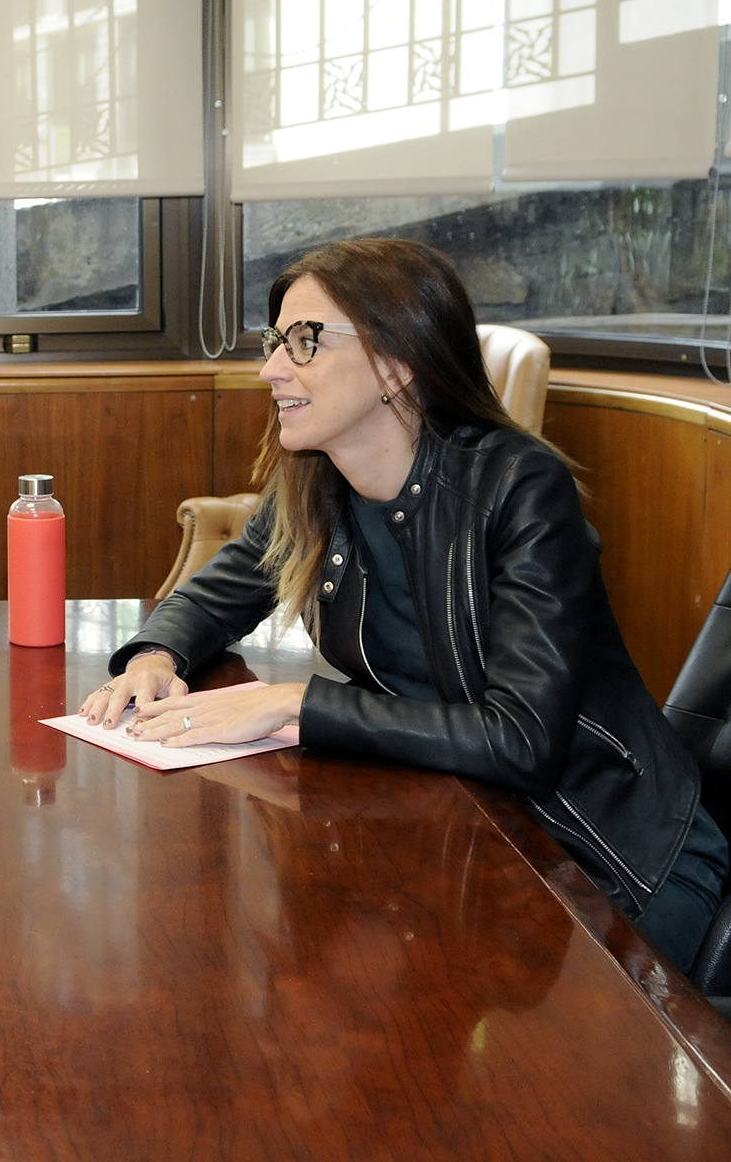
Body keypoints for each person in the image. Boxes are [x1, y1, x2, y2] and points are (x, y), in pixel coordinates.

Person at [78, 238, 726, 972]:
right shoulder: (316, 482)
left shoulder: (517, 487)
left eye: (304, 342)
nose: (270, 369)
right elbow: (215, 594)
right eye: (275, 342)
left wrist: (294, 704)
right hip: (472, 837)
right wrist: (156, 656)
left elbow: (519, 740)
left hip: (609, 859)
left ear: (395, 363)